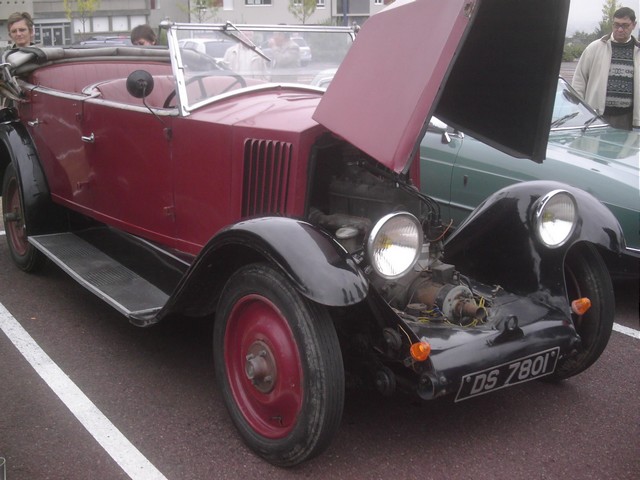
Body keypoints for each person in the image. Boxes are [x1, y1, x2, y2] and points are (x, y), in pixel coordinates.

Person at [572, 7, 639, 131]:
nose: (619, 29)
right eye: (616, 24)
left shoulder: (638, 51)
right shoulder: (594, 48)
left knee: (625, 150)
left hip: (628, 119)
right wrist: (579, 110)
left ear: (634, 25)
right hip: (596, 116)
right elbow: (578, 81)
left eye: (625, 25)